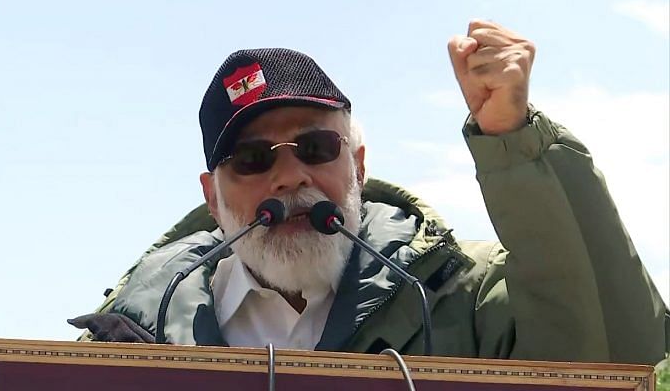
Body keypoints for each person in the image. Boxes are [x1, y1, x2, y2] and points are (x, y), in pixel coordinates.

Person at [69, 20, 669, 365]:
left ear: (356, 165)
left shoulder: (464, 294)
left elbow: (621, 353)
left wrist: (515, 145)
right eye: (252, 159)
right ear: (213, 198)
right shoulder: (128, 337)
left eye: (315, 149)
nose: (289, 178)